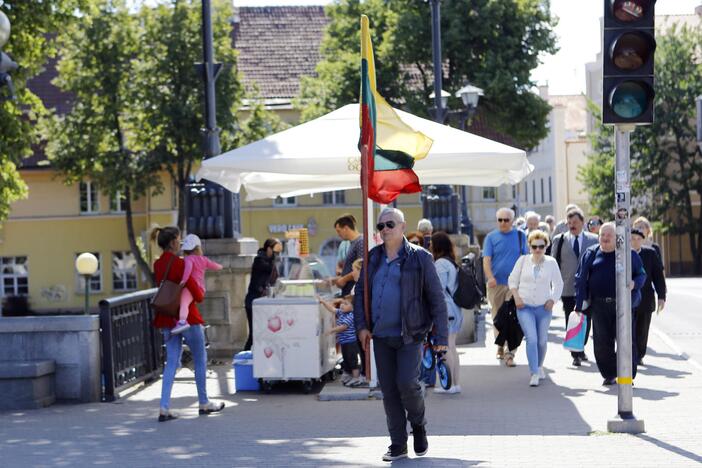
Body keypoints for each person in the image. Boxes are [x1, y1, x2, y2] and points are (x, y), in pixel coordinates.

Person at [353, 207, 447, 461]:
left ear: (403, 226)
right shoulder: (372, 258)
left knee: (407, 382)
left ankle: (418, 425)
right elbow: (360, 294)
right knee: (389, 390)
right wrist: (361, 326)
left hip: (411, 334)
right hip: (381, 336)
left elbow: (437, 300)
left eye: (389, 224)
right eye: (380, 226)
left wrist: (442, 339)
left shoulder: (420, 258)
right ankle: (397, 443)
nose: (384, 229)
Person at [150, 226, 224, 421]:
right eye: (179, 239)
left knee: (171, 362)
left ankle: (164, 407)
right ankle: (204, 403)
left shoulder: (158, 264)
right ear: (174, 242)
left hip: (167, 318)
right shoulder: (182, 264)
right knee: (200, 358)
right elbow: (197, 295)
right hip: (188, 318)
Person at [573, 222, 646, 386]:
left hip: (624, 305)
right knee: (601, 343)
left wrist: (635, 283)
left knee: (625, 341)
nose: (605, 239)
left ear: (617, 238)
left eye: (609, 236)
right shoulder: (591, 253)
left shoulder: (629, 254)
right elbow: (580, 279)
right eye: (602, 235)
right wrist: (579, 305)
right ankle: (609, 373)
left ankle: (626, 376)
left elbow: (642, 275)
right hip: (599, 306)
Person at [509, 230, 563, 387]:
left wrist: (553, 300)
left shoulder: (551, 262)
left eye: (541, 246)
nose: (538, 250)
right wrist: (517, 297)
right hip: (524, 306)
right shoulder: (523, 260)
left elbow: (558, 284)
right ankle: (534, 372)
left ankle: (539, 366)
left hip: (544, 308)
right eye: (534, 246)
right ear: (529, 246)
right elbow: (512, 280)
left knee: (542, 340)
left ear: (546, 246)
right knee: (531, 339)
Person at [548, 208, 598, 366]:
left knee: (587, 319)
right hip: (568, 287)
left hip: (589, 287)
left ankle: (580, 347)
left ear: (582, 223)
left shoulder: (594, 239)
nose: (572, 225)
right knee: (571, 318)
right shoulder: (559, 239)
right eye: (569, 223)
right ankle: (575, 354)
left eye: (575, 222)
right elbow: (553, 262)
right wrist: (553, 286)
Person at [483, 207, 528, 367]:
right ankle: (500, 345)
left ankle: (510, 353)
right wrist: (490, 277)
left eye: (506, 220)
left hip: (515, 285)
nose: (503, 223)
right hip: (496, 284)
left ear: (512, 221)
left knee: (512, 318)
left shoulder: (520, 236)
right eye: (500, 220)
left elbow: (526, 259)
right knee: (497, 318)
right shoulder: (490, 237)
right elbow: (486, 259)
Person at [430, 231, 463, 394]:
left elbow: (438, 289)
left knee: (446, 346)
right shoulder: (451, 262)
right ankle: (455, 384)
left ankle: (447, 385)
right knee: (452, 346)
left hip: (446, 309)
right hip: (456, 308)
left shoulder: (441, 264)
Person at [172, 234, 223, 335]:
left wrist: (183, 281)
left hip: (191, 289)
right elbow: (214, 266)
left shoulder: (188, 259)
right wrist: (221, 266)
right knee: (189, 305)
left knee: (184, 303)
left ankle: (182, 322)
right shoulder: (203, 259)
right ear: (198, 248)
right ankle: (189, 323)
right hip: (201, 289)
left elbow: (188, 270)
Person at [631, 229, 666, 365]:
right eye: (632, 238)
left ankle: (639, 355)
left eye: (638, 239)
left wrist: (661, 296)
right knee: (630, 329)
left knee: (642, 329)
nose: (635, 241)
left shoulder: (650, 254)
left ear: (643, 240)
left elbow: (658, 276)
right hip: (629, 300)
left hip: (646, 299)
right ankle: (631, 354)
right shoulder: (623, 254)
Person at [244, 238, 282, 351]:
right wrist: (274, 258)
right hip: (253, 302)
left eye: (278, 253)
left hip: (263, 302)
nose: (277, 255)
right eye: (275, 252)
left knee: (264, 332)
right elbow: (269, 269)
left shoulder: (270, 261)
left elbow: (275, 277)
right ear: (269, 249)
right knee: (253, 334)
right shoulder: (259, 260)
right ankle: (243, 357)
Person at [318, 295, 364, 387]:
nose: (342, 305)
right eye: (342, 303)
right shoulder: (342, 312)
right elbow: (332, 309)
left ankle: (356, 378)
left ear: (353, 307)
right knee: (346, 359)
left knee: (352, 360)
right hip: (344, 342)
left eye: (346, 304)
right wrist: (323, 302)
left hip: (350, 342)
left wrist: (332, 330)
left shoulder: (351, 315)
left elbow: (343, 327)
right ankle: (349, 375)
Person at [332, 214, 363, 296]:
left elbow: (360, 268)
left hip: (354, 293)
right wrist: (338, 279)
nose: (338, 234)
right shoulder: (352, 243)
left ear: (346, 228)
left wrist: (343, 280)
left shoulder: (360, 242)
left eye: (339, 231)